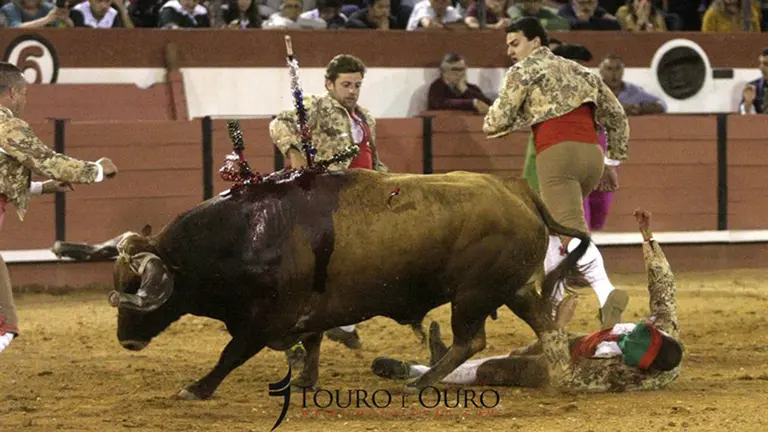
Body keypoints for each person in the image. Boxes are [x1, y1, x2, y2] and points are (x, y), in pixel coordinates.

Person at [372, 208, 684, 393]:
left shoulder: (619, 376)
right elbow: (663, 288)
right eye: (635, 334)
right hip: (591, 346)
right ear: (654, 329)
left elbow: (564, 378)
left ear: (639, 368)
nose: (629, 337)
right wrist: (648, 237)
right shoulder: (663, 328)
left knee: (502, 370)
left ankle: (419, 371)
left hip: (575, 365)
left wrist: (559, 326)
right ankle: (447, 361)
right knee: (526, 349)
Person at [482, 17, 630, 329]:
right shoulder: (579, 70)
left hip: (556, 153)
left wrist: (512, 117)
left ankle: (606, 293)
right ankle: (552, 311)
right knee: (552, 231)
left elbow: (496, 122)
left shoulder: (524, 70)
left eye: (515, 43)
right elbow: (616, 115)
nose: (510, 51)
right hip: (592, 155)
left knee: (570, 231)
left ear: (536, 42)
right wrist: (612, 162)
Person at [270, 54, 388, 349]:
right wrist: (294, 152)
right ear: (330, 84)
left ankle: (337, 323)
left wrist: (389, 185)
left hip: (361, 196)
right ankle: (326, 324)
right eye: (346, 84)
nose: (352, 91)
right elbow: (278, 124)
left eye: (357, 85)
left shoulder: (366, 117)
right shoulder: (317, 106)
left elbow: (372, 158)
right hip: (328, 197)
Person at [0, 61, 118, 354]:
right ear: (13, 92)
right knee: (5, 323)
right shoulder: (6, 124)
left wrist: (43, 187)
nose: (25, 100)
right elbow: (48, 161)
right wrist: (97, 170)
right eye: (24, 93)